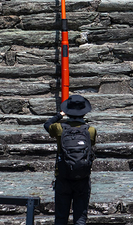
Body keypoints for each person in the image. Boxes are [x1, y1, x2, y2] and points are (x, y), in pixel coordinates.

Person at [44, 94, 96, 225]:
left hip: (63, 176)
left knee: (61, 217)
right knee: (80, 218)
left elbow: (47, 124)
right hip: (83, 178)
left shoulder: (59, 129)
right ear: (84, 112)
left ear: (68, 111)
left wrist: (60, 115)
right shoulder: (90, 130)